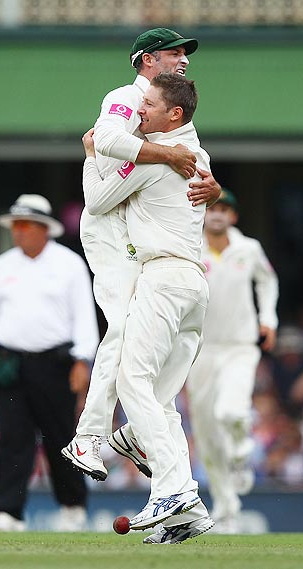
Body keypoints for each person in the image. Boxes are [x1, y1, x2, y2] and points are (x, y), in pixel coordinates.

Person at [62, 28, 220, 478]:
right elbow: (105, 141)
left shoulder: (168, 114)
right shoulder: (126, 97)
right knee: (123, 328)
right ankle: (89, 437)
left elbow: (186, 163)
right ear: (146, 60)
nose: (183, 60)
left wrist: (212, 185)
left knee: (156, 342)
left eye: (184, 54)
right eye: (173, 53)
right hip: (108, 224)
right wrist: (160, 155)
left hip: (134, 224)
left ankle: (131, 434)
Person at [79, 73, 215, 543]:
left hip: (162, 279)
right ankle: (187, 509)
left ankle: (173, 488)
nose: (139, 110)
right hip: (193, 286)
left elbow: (96, 201)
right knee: (159, 402)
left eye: (150, 105)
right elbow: (207, 178)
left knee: (131, 380)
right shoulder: (196, 153)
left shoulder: (161, 158)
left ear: (174, 115)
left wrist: (93, 154)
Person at [0, 194, 99, 531]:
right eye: (15, 226)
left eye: (25, 225)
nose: (18, 232)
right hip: (10, 364)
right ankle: (9, 511)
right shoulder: (2, 266)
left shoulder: (69, 264)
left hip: (55, 364)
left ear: (44, 229)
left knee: (59, 437)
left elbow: (84, 318)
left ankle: (73, 506)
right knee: (13, 438)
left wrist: (82, 360)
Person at [186, 189, 279, 533]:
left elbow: (268, 282)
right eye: (211, 208)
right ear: (203, 214)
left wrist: (268, 319)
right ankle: (225, 505)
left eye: (224, 209)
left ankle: (241, 453)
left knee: (230, 411)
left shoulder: (248, 249)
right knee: (207, 431)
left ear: (234, 217)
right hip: (201, 350)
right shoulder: (189, 246)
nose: (217, 214)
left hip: (241, 346)